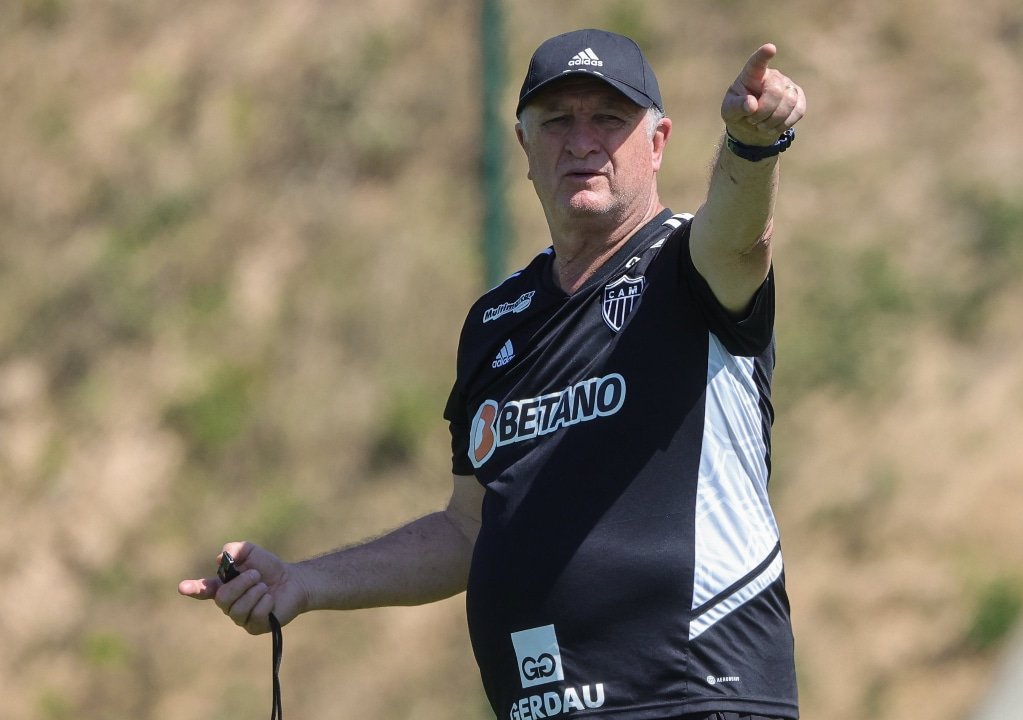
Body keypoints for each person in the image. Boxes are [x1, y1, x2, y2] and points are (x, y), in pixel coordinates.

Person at [180, 28, 806, 720]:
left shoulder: (688, 266)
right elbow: (467, 529)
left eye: (608, 119)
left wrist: (751, 145)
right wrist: (304, 581)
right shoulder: (496, 321)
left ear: (657, 144)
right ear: (525, 148)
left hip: (693, 695)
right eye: (558, 120)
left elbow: (742, 237)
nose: (581, 141)